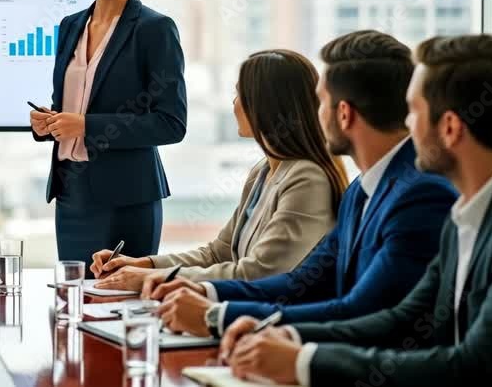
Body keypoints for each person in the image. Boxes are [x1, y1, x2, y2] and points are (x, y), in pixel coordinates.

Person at [220, 34, 492, 386]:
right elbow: (401, 318)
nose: (406, 124)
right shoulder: (462, 215)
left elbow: (472, 366)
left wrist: (303, 361)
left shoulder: (432, 198)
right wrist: (286, 335)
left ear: (449, 128)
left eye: (413, 110)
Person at [148, 30, 456, 338]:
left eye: (321, 101)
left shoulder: (419, 194)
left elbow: (362, 310)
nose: (314, 113)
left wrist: (216, 316)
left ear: (344, 114)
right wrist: (206, 292)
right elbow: (303, 282)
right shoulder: (361, 191)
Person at [89, 49, 347, 291]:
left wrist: (153, 279)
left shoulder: (307, 178)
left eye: (239, 95)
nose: (234, 104)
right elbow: (218, 254)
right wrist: (143, 264)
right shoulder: (263, 171)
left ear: (264, 105)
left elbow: (258, 273)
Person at [29, 0, 187, 275]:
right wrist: (48, 122)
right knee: (75, 303)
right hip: (71, 196)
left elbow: (170, 124)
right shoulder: (70, 27)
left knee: (119, 307)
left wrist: (85, 125)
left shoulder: (155, 29)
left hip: (127, 199)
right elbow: (72, 106)